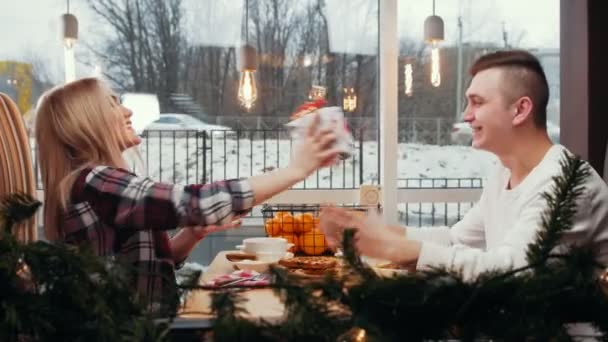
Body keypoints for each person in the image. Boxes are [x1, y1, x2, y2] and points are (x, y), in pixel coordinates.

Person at [35, 77, 340, 312]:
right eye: (113, 104)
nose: (127, 110)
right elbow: (193, 203)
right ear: (86, 123)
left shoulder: (97, 183)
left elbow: (140, 266)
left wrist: (190, 236)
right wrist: (294, 170)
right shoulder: (96, 182)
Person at [320, 50, 608, 281]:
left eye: (477, 102)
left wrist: (400, 248)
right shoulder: (503, 174)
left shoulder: (568, 181)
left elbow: (516, 271)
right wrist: (377, 234)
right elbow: (456, 240)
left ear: (520, 109)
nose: (466, 115)